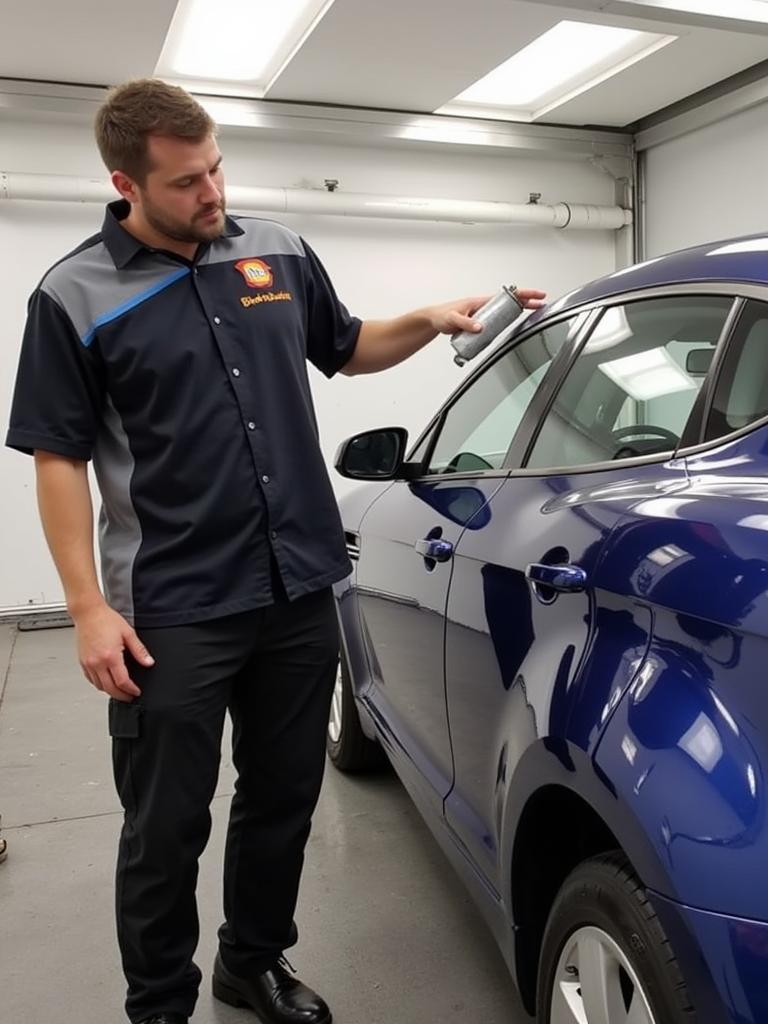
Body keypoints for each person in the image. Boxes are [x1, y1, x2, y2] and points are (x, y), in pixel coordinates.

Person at [5, 78, 543, 1024]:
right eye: (186, 183)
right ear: (126, 181)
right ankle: (159, 1004)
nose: (213, 194)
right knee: (166, 824)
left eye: (216, 167)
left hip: (298, 585)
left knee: (284, 797)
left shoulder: (278, 252)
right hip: (169, 606)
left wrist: (430, 319)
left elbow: (346, 346)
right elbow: (60, 459)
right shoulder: (73, 292)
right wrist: (88, 609)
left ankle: (250, 961)